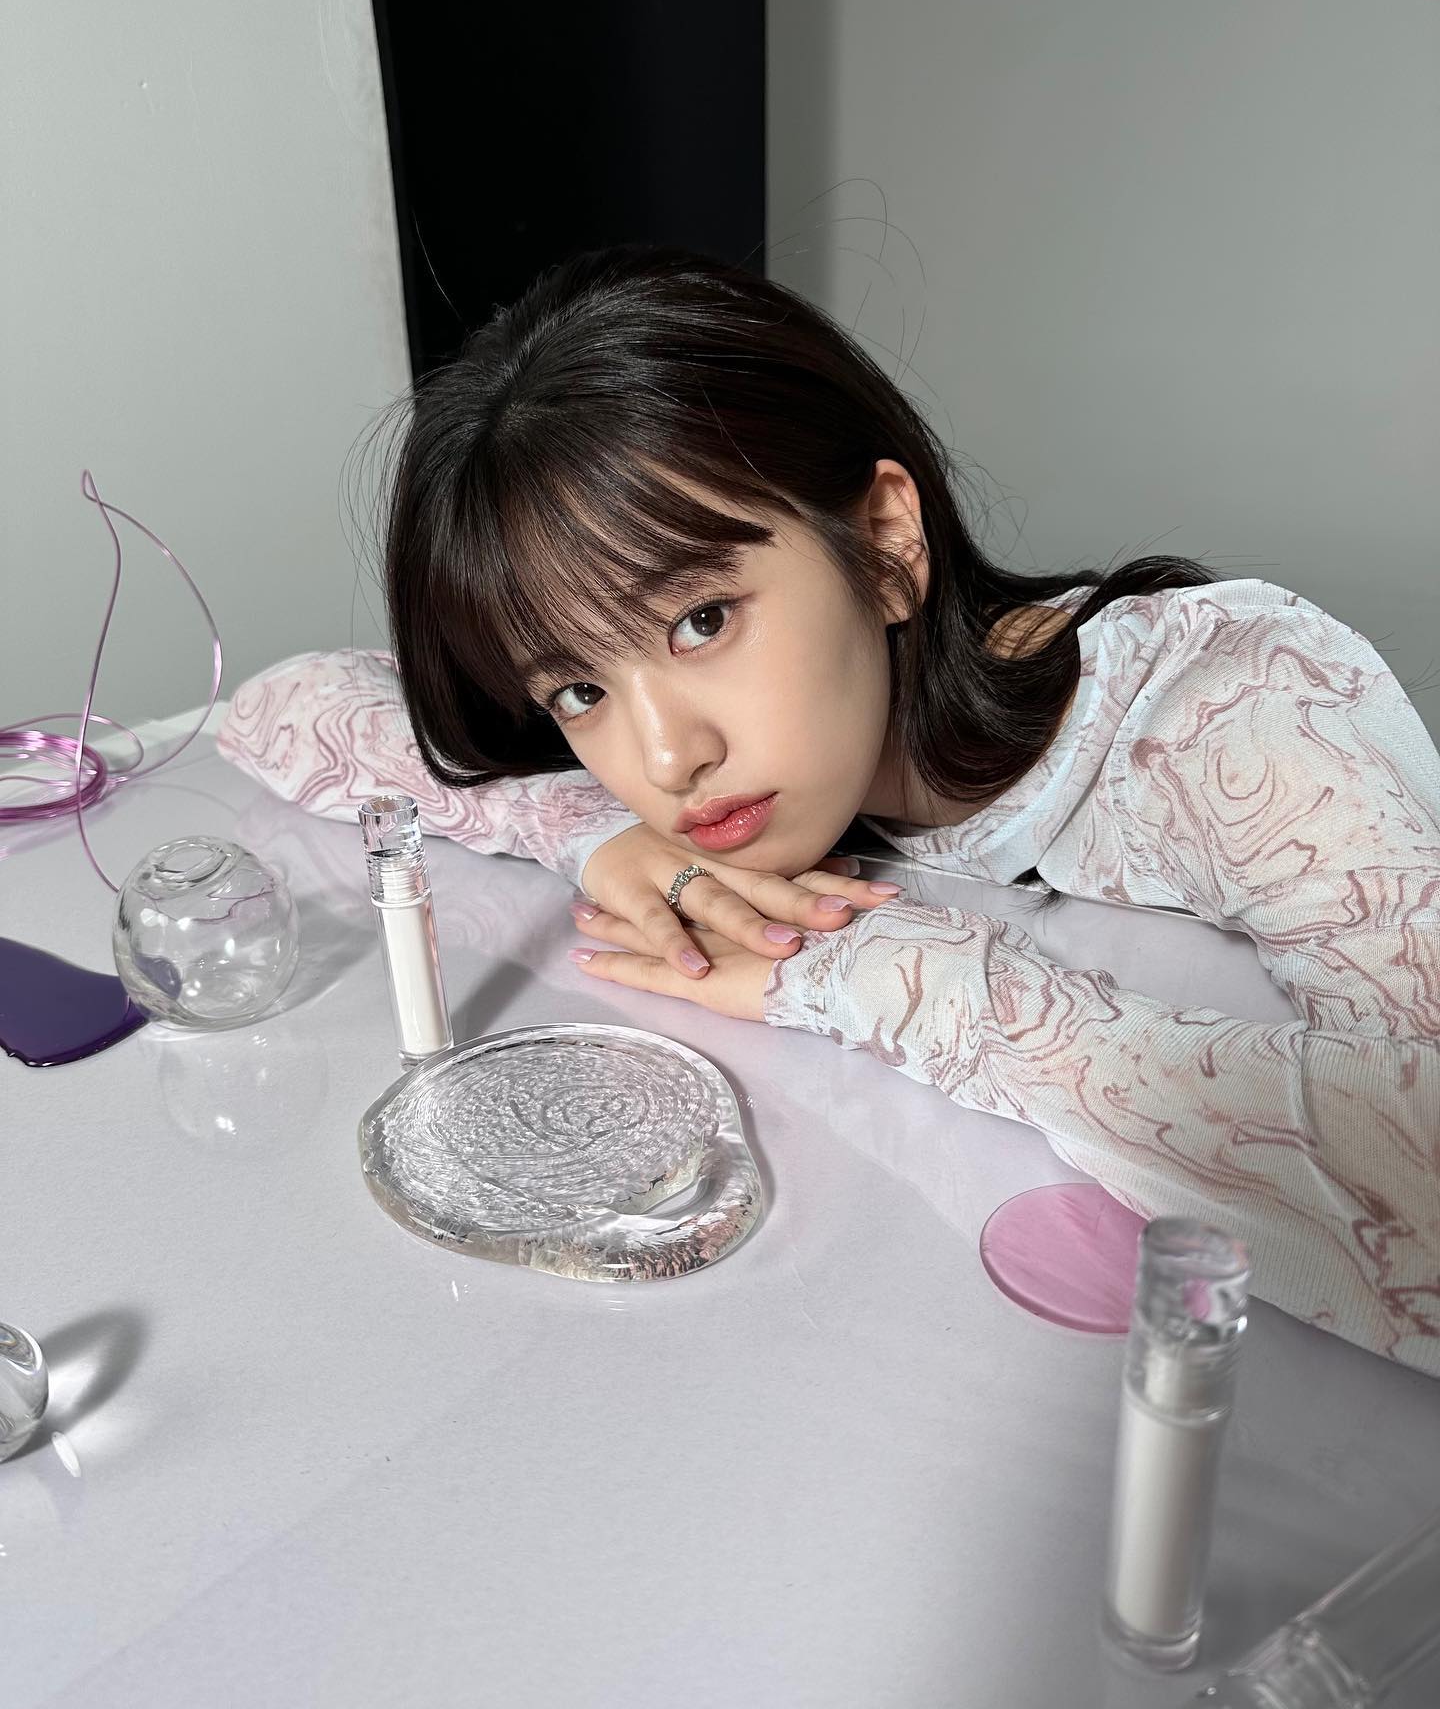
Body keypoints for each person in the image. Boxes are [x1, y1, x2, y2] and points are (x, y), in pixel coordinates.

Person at [218, 243, 1440, 1375]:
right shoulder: (734, 774)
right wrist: (599, 837)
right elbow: (285, 705)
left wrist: (888, 975)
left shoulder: (1235, 708)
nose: (666, 758)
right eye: (579, 690)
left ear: (888, 542)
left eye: (702, 620)